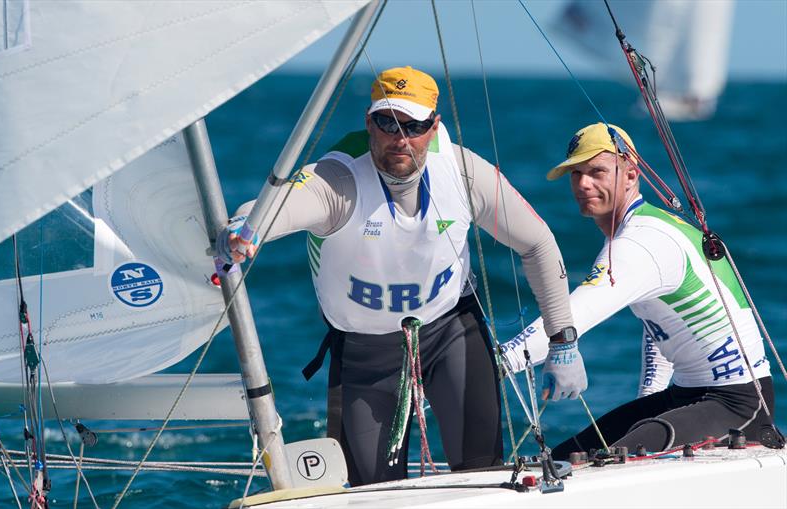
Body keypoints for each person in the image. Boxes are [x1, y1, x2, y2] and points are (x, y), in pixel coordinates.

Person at [219, 66, 583, 486]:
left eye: (414, 125)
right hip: (366, 352)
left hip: (451, 332)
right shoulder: (339, 180)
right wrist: (244, 229)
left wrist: (563, 341)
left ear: (434, 126)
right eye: (387, 123)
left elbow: (536, 242)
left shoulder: (463, 174)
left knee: (482, 473)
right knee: (373, 491)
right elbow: (274, 206)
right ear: (368, 122)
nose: (400, 137)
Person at [501, 122, 778, 458]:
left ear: (630, 175)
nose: (583, 184)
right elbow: (662, 325)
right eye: (575, 173)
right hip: (688, 396)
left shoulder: (640, 243)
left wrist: (496, 364)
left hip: (739, 406)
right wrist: (649, 399)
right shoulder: (641, 228)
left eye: (597, 172)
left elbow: (569, 318)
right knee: (563, 456)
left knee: (592, 466)